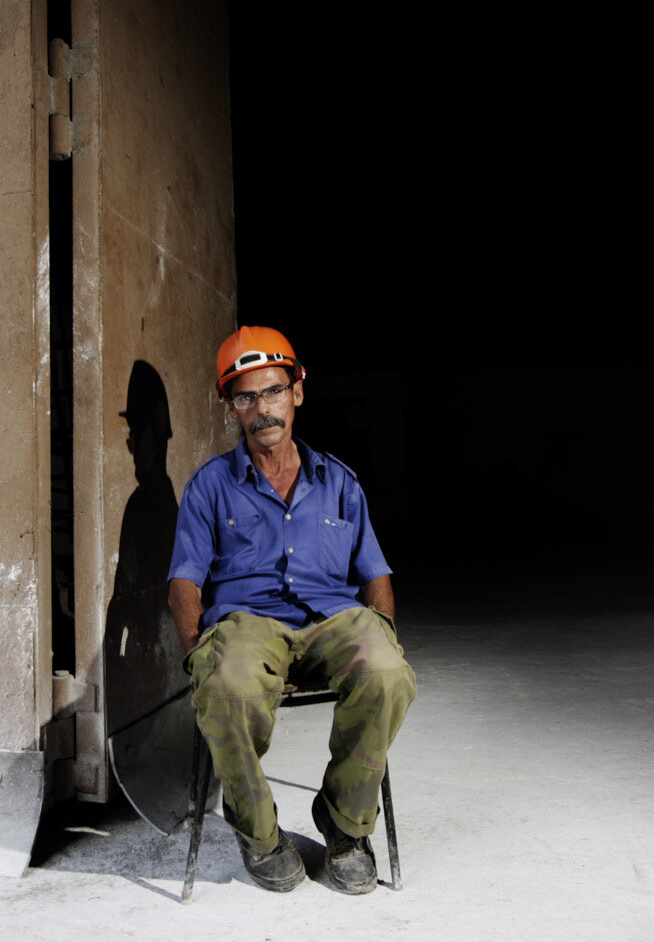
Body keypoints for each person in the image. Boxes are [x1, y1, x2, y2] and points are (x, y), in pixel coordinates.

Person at [167, 326, 417, 894]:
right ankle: (259, 833)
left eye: (274, 391)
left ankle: (344, 822)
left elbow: (375, 574)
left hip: (331, 620)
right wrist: (196, 652)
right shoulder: (209, 486)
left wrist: (383, 637)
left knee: (387, 672)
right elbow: (183, 579)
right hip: (249, 625)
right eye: (245, 397)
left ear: (298, 391)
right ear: (230, 406)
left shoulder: (340, 483)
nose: (262, 409)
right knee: (224, 683)